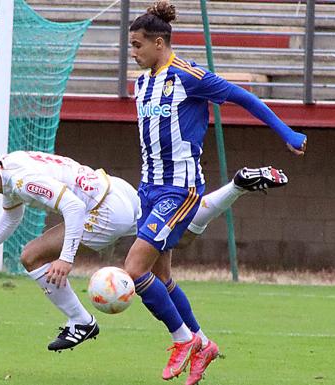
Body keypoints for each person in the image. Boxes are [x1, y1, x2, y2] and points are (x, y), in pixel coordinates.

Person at [0, 142, 288, 355]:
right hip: (116, 189)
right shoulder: (10, 167)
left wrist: (66, 259)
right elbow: (11, 216)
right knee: (175, 248)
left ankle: (81, 321)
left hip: (101, 210)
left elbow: (74, 209)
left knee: (31, 255)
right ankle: (235, 187)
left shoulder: (23, 180)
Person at [125, 1, 308, 384]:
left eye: (138, 45)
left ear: (159, 43)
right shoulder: (142, 84)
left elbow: (244, 97)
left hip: (180, 188)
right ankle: (204, 344)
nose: (134, 52)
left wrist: (286, 133)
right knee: (161, 275)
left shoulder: (189, 76)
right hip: (149, 186)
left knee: (134, 270)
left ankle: (182, 340)